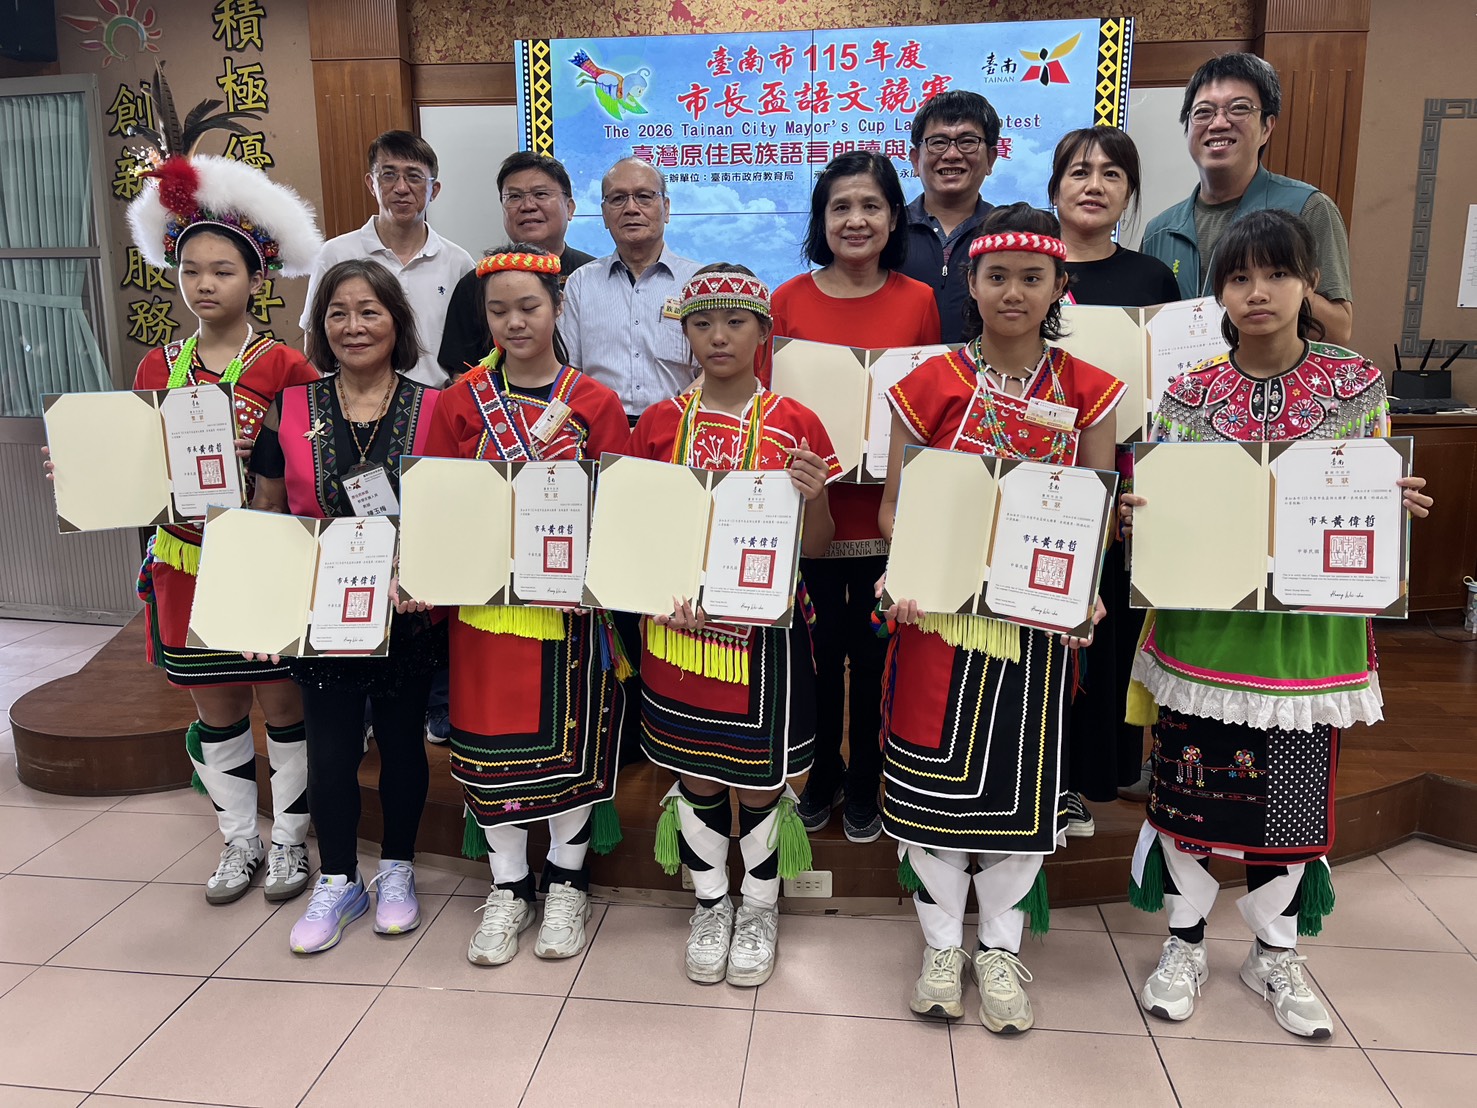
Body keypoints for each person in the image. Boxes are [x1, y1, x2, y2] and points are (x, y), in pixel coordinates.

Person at [1121, 209, 1431, 1039]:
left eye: (1276, 274)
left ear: (1307, 285)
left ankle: (1274, 952)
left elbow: (1367, 507)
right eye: (1237, 277)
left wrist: (1389, 501)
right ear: (1217, 291)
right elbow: (1166, 516)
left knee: (1288, 810)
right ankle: (1183, 944)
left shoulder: (1354, 386)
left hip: (1304, 642)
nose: (1257, 293)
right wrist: (1137, 518)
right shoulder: (1186, 394)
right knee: (1188, 800)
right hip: (1203, 636)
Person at [879, 203, 1121, 1034]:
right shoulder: (925, 383)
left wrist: (1083, 581)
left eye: (1031, 277)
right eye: (995, 277)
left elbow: (1094, 514)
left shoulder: (1087, 390)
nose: (1012, 292)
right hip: (938, 622)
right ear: (969, 284)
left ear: (1060, 285)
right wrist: (912, 569)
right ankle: (941, 944)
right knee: (929, 791)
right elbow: (890, 512)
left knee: (1018, 795)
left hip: (1032, 628)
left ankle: (1000, 946)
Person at [123, 134, 322, 907]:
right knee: (216, 706)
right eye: (191, 271)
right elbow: (138, 464)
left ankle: (289, 842)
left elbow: (309, 469)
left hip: (262, 561)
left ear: (255, 279)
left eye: (223, 270)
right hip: (184, 559)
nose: (204, 284)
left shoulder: (286, 368)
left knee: (282, 704)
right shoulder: (156, 367)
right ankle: (237, 837)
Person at [420, 245, 631, 967]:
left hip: (568, 618)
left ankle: (567, 881)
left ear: (557, 308)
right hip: (483, 614)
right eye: (499, 310)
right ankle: (508, 886)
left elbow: (620, 510)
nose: (514, 322)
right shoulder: (458, 402)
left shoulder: (594, 403)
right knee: (489, 754)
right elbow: (435, 505)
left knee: (568, 749)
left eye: (529, 307)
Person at [632, 265, 841, 987]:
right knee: (693, 771)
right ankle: (710, 901)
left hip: (765, 635)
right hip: (678, 631)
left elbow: (814, 546)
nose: (717, 337)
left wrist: (813, 496)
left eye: (735, 322)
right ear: (683, 335)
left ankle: (759, 903)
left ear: (763, 331)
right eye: (701, 323)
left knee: (758, 780)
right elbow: (642, 533)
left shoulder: (796, 422)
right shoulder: (657, 423)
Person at [248, 259, 445, 953]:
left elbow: (453, 519)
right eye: (338, 313)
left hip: (406, 611)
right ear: (321, 326)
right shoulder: (292, 408)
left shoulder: (435, 408)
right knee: (329, 752)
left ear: (397, 320)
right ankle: (338, 879)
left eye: (369, 311)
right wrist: (265, 609)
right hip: (319, 613)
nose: (353, 326)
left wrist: (427, 575)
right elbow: (268, 512)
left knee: (401, 746)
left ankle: (396, 870)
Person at [769, 151, 940, 843]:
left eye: (870, 205)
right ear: (821, 219)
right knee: (815, 653)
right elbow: (771, 411)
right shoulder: (786, 299)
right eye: (840, 206)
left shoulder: (918, 300)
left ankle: (867, 777)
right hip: (812, 514)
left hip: (884, 517)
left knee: (873, 657)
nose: (855, 219)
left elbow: (928, 407)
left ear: (893, 216)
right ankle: (822, 775)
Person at [1047, 125, 1181, 833]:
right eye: (1077, 171)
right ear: (1053, 186)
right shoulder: (1030, 270)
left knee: (1112, 617)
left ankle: (1103, 768)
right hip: (1040, 469)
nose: (1092, 184)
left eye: (1110, 175)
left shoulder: (1151, 279)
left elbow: (1167, 385)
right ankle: (1049, 772)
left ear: (1129, 194)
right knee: (1049, 617)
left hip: (1127, 468)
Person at [1141, 52, 1353, 344]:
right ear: (1187, 128)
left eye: (1239, 109)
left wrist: (1283, 282)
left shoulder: (1307, 207)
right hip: (1185, 387)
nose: (1218, 123)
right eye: (1203, 112)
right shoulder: (1159, 230)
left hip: (1274, 386)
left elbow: (1339, 332)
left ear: (1267, 127)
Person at [302, 130, 474, 388]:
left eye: (414, 177)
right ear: (372, 183)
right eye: (389, 175)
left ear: (433, 190)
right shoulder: (335, 254)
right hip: (352, 405)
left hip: (435, 407)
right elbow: (314, 341)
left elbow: (469, 351)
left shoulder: (458, 262)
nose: (401, 188)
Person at [561, 158, 701, 422]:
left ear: (666, 208)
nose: (631, 209)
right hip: (600, 429)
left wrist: (671, 420)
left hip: (680, 427)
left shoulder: (696, 281)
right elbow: (569, 372)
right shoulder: (580, 283)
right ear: (604, 214)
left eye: (644, 196)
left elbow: (714, 370)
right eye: (617, 199)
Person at [437, 152, 597, 377]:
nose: (528, 206)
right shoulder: (477, 282)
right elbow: (460, 373)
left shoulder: (594, 276)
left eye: (540, 194)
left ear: (570, 207)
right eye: (514, 197)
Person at [898, 90, 1001, 342]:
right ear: (915, 159)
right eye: (938, 142)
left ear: (990, 158)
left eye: (967, 141)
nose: (952, 154)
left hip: (985, 378)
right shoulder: (887, 231)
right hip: (898, 376)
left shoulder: (1007, 234)